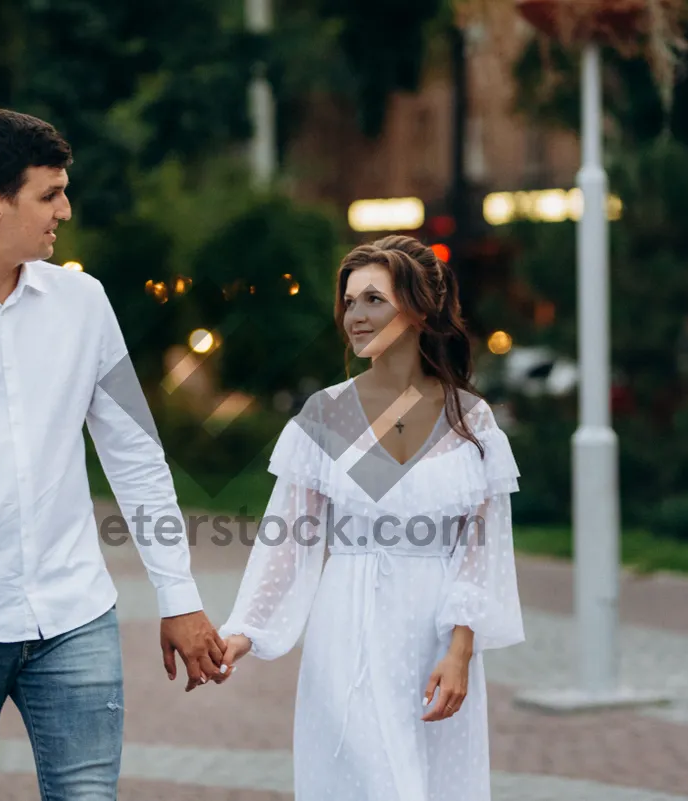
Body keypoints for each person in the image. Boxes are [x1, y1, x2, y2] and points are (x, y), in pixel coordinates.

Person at [0, 109, 225, 801]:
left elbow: (135, 457)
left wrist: (180, 596)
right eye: (49, 194)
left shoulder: (83, 303)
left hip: (74, 614)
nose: (66, 209)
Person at [213, 236, 525, 800]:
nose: (355, 316)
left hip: (433, 632)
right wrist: (245, 631)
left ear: (418, 307)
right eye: (350, 301)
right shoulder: (325, 414)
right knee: (370, 780)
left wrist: (460, 652)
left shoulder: (470, 421)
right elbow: (289, 537)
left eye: (373, 299)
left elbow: (482, 552)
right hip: (347, 628)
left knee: (433, 784)